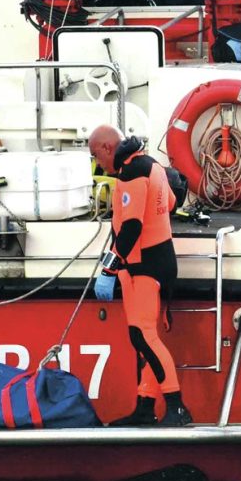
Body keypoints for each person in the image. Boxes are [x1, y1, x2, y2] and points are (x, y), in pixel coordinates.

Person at [88, 123, 191, 428]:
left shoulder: (131, 174)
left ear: (108, 148)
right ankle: (145, 405)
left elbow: (131, 227)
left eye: (96, 155)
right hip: (158, 261)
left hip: (143, 266)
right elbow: (170, 203)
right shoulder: (152, 165)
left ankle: (176, 406)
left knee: (142, 335)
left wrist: (110, 265)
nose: (97, 163)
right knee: (145, 338)